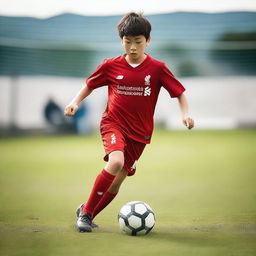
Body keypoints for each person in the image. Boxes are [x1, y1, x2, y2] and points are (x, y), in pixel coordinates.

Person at [64, 12, 194, 233]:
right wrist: (74, 102)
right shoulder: (110, 66)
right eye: (128, 42)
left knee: (116, 182)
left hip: (140, 134)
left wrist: (185, 115)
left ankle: (87, 211)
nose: (133, 47)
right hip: (113, 124)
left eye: (138, 42)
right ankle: (85, 215)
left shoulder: (157, 68)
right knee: (115, 162)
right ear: (121, 41)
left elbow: (180, 93)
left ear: (148, 41)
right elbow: (89, 85)